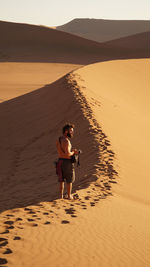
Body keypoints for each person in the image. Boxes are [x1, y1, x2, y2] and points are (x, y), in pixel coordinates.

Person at [56, 123, 78, 199]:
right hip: (66, 163)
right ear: (66, 131)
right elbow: (68, 154)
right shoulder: (66, 141)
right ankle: (69, 196)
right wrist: (74, 152)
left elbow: (61, 151)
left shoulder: (59, 139)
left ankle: (61, 196)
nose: (72, 132)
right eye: (71, 131)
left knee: (61, 180)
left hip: (59, 161)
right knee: (69, 180)